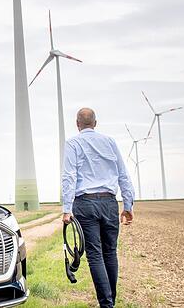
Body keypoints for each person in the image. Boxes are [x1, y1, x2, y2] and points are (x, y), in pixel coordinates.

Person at [61, 107, 134, 308]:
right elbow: (123, 174)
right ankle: (111, 302)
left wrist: (66, 209)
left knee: (95, 255)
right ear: (95, 123)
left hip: (85, 203)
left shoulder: (73, 143)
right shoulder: (110, 142)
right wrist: (128, 204)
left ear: (77, 124)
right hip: (110, 203)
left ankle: (106, 304)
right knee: (110, 252)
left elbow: (69, 176)